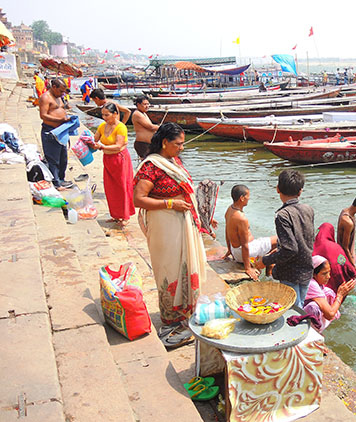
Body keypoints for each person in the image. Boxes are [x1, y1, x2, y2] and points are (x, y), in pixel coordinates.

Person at [133, 123, 211, 348]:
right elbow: (139, 199)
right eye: (178, 144)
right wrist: (170, 203)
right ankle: (170, 318)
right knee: (169, 268)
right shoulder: (151, 166)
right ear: (165, 143)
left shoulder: (173, 161)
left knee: (186, 267)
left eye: (182, 143)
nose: (182, 148)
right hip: (164, 225)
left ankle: (185, 314)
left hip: (182, 221)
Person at [257, 169, 315, 307]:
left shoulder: (282, 215)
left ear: (277, 189)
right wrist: (278, 249)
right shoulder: (308, 209)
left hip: (290, 272)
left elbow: (290, 249)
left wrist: (265, 261)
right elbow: (305, 238)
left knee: (293, 309)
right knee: (300, 305)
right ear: (300, 191)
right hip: (306, 268)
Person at [90, 103, 135, 225]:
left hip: (120, 159)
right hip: (108, 159)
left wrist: (103, 146)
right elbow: (95, 139)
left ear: (115, 114)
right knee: (110, 188)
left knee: (122, 187)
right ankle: (115, 214)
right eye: (103, 115)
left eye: (107, 115)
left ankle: (125, 216)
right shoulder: (102, 126)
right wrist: (90, 142)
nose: (104, 117)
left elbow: (119, 145)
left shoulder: (121, 127)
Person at [223, 184, 277, 280]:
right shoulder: (241, 218)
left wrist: (229, 250)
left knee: (265, 243)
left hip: (236, 251)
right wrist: (248, 268)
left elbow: (227, 232)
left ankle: (268, 265)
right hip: (245, 253)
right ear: (242, 198)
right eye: (248, 196)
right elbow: (245, 245)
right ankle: (269, 271)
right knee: (278, 240)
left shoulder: (229, 210)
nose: (249, 198)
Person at [302, 255, 356, 333]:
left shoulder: (315, 282)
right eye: (324, 274)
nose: (328, 276)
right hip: (302, 319)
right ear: (313, 274)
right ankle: (312, 330)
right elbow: (330, 314)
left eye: (329, 272)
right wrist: (340, 295)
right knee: (313, 307)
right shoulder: (311, 284)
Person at [39, 78, 73, 189]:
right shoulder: (45, 97)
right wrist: (60, 120)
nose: (62, 93)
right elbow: (43, 115)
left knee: (63, 157)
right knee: (53, 158)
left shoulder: (59, 97)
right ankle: (56, 182)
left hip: (62, 131)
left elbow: (60, 109)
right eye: (61, 91)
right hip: (50, 131)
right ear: (54, 87)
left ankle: (61, 179)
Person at [313, 222, 356, 293]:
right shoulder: (336, 247)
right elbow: (345, 263)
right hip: (336, 281)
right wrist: (354, 272)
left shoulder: (311, 247)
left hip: (318, 283)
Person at [131, 95, 159, 159]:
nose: (147, 106)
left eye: (148, 104)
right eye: (145, 104)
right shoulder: (137, 114)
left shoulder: (143, 113)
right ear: (138, 104)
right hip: (143, 144)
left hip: (149, 144)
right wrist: (163, 128)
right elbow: (150, 127)